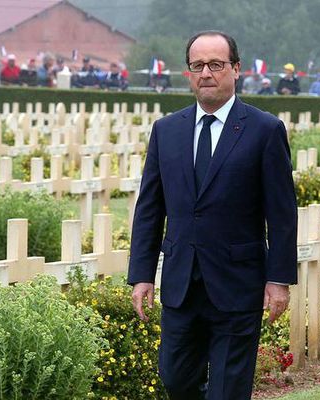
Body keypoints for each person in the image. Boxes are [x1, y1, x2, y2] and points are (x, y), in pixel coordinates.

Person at [128, 30, 297, 400]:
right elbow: (150, 209)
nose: (207, 73)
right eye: (198, 65)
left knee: (227, 390)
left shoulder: (265, 131)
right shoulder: (166, 131)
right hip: (181, 284)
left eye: (216, 64)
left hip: (237, 284)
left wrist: (279, 279)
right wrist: (142, 275)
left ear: (236, 69)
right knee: (175, 379)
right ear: (188, 73)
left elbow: (282, 213)